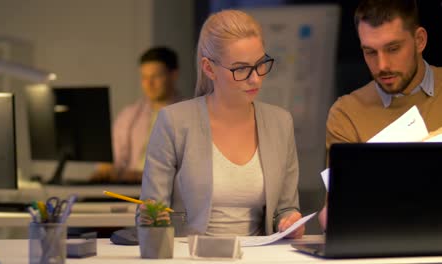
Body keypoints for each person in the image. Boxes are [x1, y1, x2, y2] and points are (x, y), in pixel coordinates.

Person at [138, 9, 305, 238]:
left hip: (259, 257)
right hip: (189, 256)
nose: (255, 78)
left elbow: (286, 208)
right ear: (209, 68)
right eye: (241, 69)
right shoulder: (174, 122)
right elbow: (150, 211)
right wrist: (151, 217)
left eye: (260, 64)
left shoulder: (280, 123)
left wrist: (290, 222)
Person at [319, 0, 442, 231]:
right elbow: (335, 211)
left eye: (393, 49)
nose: (382, 65)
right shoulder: (346, 113)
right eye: (370, 52)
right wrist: (332, 214)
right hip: (380, 242)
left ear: (419, 41)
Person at [91, 46, 182, 183]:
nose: (149, 84)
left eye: (156, 76)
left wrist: (143, 176)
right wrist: (107, 167)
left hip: (169, 192)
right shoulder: (129, 115)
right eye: (144, 77)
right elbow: (115, 158)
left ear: (173, 75)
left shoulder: (190, 116)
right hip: (129, 189)